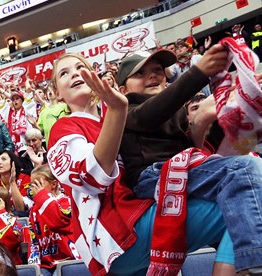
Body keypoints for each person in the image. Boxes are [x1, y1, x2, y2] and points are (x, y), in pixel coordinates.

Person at [46, 52, 236, 275]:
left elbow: (181, 160)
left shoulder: (114, 114)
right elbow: (93, 176)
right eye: (64, 73)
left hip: (139, 221)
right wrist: (117, 110)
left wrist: (207, 120)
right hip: (116, 235)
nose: (75, 74)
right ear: (57, 93)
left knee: (240, 217)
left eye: (80, 67)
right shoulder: (64, 128)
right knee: (236, 208)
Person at [116, 47, 262, 273]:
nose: (152, 76)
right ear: (123, 89)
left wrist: (242, 96)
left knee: (246, 196)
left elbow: (205, 152)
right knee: (245, 169)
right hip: (153, 179)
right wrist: (198, 73)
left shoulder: (179, 113)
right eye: (140, 73)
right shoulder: (124, 110)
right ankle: (256, 263)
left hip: (183, 173)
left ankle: (249, 265)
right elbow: (151, 114)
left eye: (157, 70)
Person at [28, 165, 79, 275]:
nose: (34, 188)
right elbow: (33, 242)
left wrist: (42, 197)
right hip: (46, 264)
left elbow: (58, 222)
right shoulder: (34, 210)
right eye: (32, 185)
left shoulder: (67, 202)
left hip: (69, 261)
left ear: (54, 184)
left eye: (38, 183)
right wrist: (34, 266)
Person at [0, 187, 23, 265]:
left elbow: (10, 244)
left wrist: (0, 214)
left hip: (8, 264)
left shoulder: (12, 221)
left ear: (2, 203)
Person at [0, 150, 32, 215]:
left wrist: (13, 183)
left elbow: (21, 209)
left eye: (3, 159)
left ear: (13, 163)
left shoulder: (25, 178)